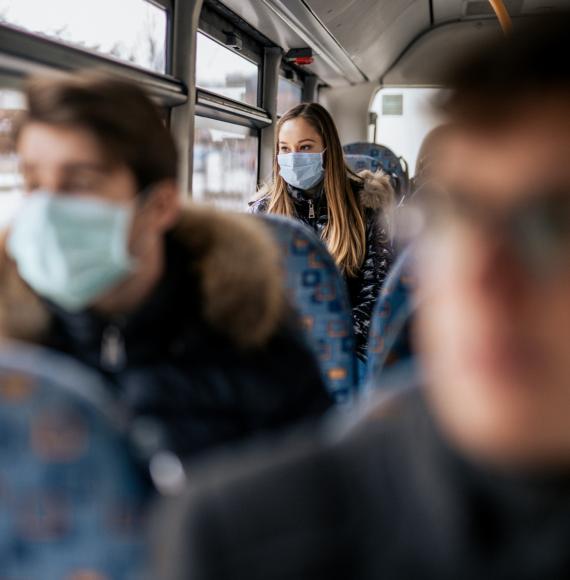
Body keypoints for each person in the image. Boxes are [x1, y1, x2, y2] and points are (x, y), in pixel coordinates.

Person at [155, 13, 570, 579]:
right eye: (460, 216)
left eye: (554, 223)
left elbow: (374, 306)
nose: (481, 276)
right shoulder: (239, 539)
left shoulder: (367, 207)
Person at [0, 73, 331, 468]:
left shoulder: (258, 353)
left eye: (80, 182)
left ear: (159, 206)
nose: (47, 209)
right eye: (34, 183)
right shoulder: (16, 347)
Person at [250, 103, 394, 366]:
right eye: (285, 149)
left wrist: (329, 343)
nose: (294, 157)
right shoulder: (263, 214)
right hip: (280, 350)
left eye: (305, 147)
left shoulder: (366, 206)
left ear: (327, 151)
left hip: (350, 349)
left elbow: (376, 295)